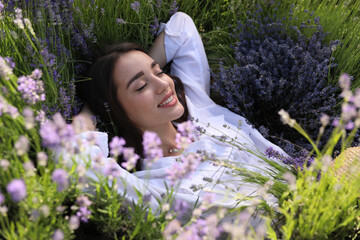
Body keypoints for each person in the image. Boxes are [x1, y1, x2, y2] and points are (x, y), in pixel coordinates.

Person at [70, 12, 289, 221]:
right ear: (118, 110)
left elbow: (182, 28)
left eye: (158, 72)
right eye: (141, 86)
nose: (164, 85)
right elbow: (80, 167)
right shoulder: (151, 188)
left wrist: (140, 66)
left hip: (310, 190)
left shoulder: (196, 108)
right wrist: (93, 109)